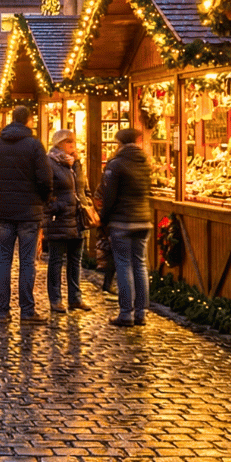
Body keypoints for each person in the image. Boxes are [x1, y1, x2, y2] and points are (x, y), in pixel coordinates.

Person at [0, 106, 53, 324]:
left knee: (4, 260)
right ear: (29, 120)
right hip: (29, 211)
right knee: (27, 262)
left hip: (5, 209)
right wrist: (42, 198)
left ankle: (3, 311)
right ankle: (27, 311)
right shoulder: (34, 145)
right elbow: (45, 179)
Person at [98, 126, 153, 326]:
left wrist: (103, 219)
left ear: (120, 143)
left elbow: (109, 196)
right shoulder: (145, 162)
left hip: (122, 221)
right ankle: (141, 312)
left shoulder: (117, 164)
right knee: (140, 265)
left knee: (124, 265)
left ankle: (126, 313)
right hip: (144, 219)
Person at [44, 130, 92, 313]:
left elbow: (83, 186)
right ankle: (55, 299)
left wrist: (86, 202)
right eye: (69, 141)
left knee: (75, 259)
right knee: (56, 260)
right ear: (59, 144)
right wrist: (56, 206)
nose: (73, 144)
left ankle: (75, 298)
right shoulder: (50, 162)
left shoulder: (77, 163)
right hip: (60, 218)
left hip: (78, 218)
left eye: (74, 141)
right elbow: (45, 189)